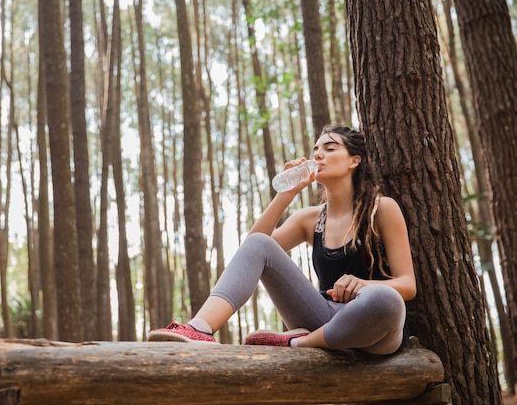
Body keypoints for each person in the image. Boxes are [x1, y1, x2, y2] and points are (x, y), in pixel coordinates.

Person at [148, 124, 416, 354]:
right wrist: (286, 194)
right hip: (322, 317)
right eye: (316, 151)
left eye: (330, 148)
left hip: (375, 329)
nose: (318, 154)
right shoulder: (309, 219)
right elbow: (253, 249)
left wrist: (363, 285)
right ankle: (199, 329)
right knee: (260, 243)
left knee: (385, 300)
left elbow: (407, 285)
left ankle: (297, 343)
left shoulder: (381, 209)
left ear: (353, 160)